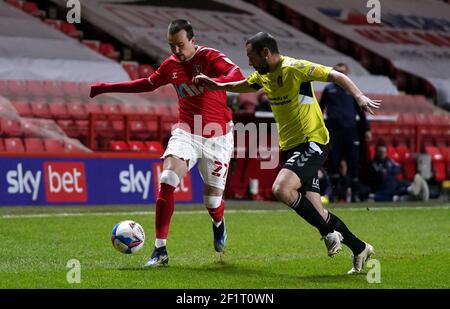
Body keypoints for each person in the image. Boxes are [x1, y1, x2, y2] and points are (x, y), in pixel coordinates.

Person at [193, 32, 381, 274]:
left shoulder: (295, 68)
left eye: (251, 56)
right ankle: (359, 247)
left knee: (281, 189)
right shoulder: (264, 74)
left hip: (312, 142)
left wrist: (359, 96)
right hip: (290, 146)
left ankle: (328, 233)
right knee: (318, 211)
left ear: (266, 53)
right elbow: (242, 85)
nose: (249, 62)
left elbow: (336, 75)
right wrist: (216, 84)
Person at [89, 19, 245, 267]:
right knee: (167, 179)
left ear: (193, 41)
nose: (176, 51)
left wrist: (213, 80)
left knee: (213, 201)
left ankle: (218, 224)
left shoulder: (210, 57)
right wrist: (106, 87)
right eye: (171, 45)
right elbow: (146, 84)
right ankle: (160, 250)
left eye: (180, 45)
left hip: (218, 137)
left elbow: (236, 74)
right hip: (186, 133)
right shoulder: (171, 65)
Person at [319, 63, 372, 202]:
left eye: (343, 72)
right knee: (334, 162)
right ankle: (335, 194)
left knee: (354, 162)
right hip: (334, 131)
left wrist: (366, 129)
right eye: (338, 72)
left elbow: (361, 110)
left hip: (351, 131)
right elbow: (320, 108)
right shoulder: (328, 89)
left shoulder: (351, 89)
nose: (341, 75)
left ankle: (355, 194)